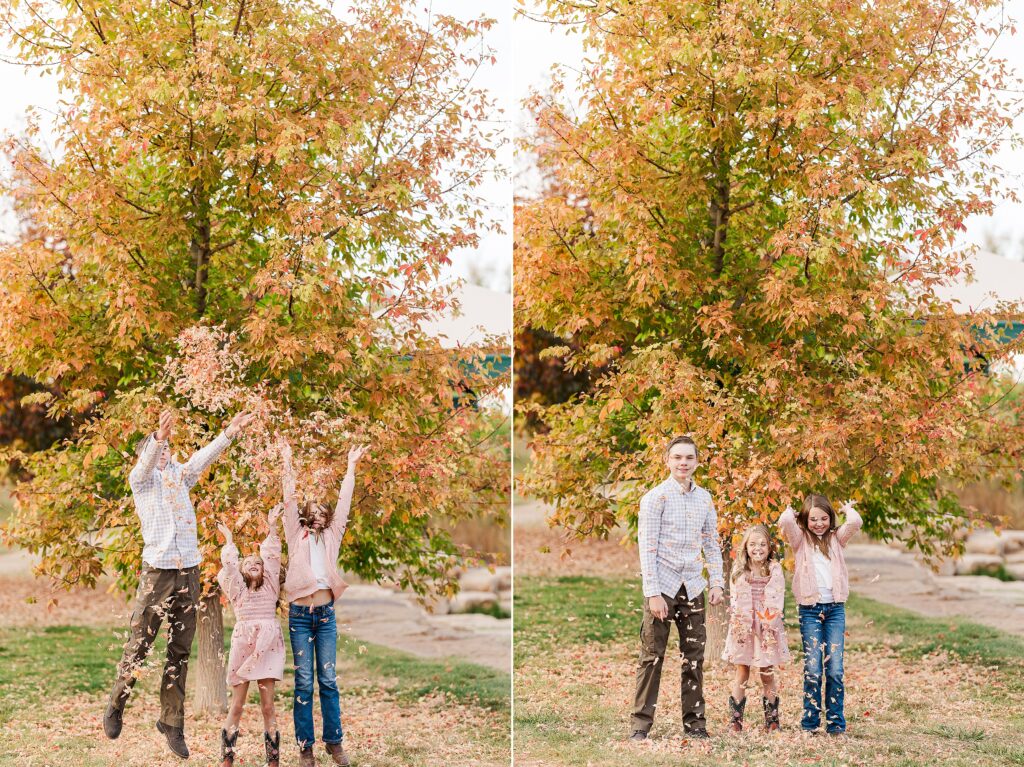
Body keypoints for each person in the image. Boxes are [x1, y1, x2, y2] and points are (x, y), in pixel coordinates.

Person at [103, 408, 254, 759]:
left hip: (188, 571)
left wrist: (230, 431)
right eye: (159, 449)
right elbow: (144, 465)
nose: (166, 453)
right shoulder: (141, 482)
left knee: (180, 651)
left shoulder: (181, 476)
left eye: (169, 449)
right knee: (140, 643)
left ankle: (172, 722)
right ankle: (116, 703)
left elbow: (203, 456)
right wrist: (158, 437)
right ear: (150, 452)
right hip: (157, 572)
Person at [280, 439, 369, 767]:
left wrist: (351, 466)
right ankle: (306, 747)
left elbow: (345, 501)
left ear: (327, 518)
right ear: (305, 517)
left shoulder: (333, 536)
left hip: (326, 615)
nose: (317, 518)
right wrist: (287, 460)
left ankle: (335, 743)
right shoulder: (295, 535)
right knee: (304, 681)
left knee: (328, 680)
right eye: (312, 513)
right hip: (301, 616)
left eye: (323, 514)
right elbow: (288, 499)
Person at [630, 435, 725, 742]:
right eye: (677, 457)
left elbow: (711, 543)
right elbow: (647, 549)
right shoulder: (655, 498)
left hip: (693, 586)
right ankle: (640, 726)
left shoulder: (705, 499)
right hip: (664, 587)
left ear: (697, 462)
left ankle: (696, 725)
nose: (683, 463)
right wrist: (653, 594)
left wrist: (717, 583)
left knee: (694, 658)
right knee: (652, 656)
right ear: (667, 461)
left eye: (689, 458)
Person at [779, 494, 862, 735]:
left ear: (830, 519)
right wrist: (793, 514)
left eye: (824, 518)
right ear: (805, 519)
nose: (819, 523)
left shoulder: (837, 539)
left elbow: (855, 523)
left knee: (835, 668)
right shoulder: (800, 540)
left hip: (835, 609)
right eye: (813, 519)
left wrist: (847, 509)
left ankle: (836, 724)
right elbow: (785, 522)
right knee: (813, 668)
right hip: (810, 610)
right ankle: (811, 723)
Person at [216, 504, 286, 767]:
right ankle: (227, 757)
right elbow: (230, 567)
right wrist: (230, 540)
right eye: (249, 563)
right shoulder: (237, 590)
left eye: (258, 563)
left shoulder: (270, 587)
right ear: (242, 571)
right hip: (244, 645)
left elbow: (271, 555)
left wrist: (272, 526)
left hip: (267, 646)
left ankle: (273, 759)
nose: (255, 564)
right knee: (237, 705)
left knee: (268, 707)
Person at [721, 523, 790, 732]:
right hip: (744, 624)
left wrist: (768, 623)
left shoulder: (774, 568)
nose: (757, 548)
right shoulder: (739, 569)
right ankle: (735, 721)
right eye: (752, 544)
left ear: (770, 547)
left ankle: (772, 720)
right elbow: (735, 599)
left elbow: (777, 597)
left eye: (762, 544)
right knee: (742, 670)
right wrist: (741, 623)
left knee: (766, 671)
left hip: (766, 624)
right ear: (745, 547)